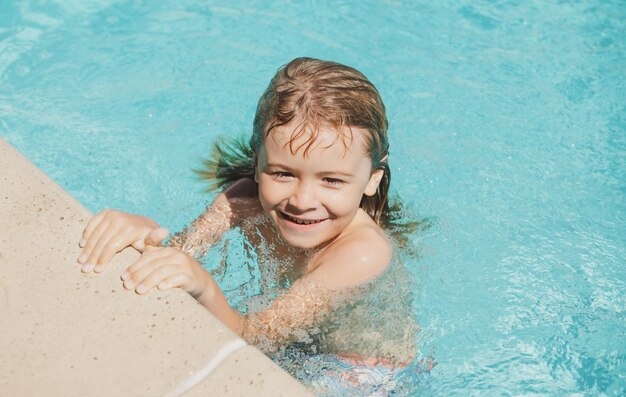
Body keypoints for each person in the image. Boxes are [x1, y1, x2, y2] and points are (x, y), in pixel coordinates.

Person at [76, 57, 421, 371]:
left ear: (372, 179)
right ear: (257, 164)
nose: (302, 200)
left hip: (361, 372)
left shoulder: (362, 253)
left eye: (331, 180)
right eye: (283, 173)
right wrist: (146, 234)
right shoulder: (244, 199)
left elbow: (255, 339)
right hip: (298, 347)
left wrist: (205, 287)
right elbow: (177, 259)